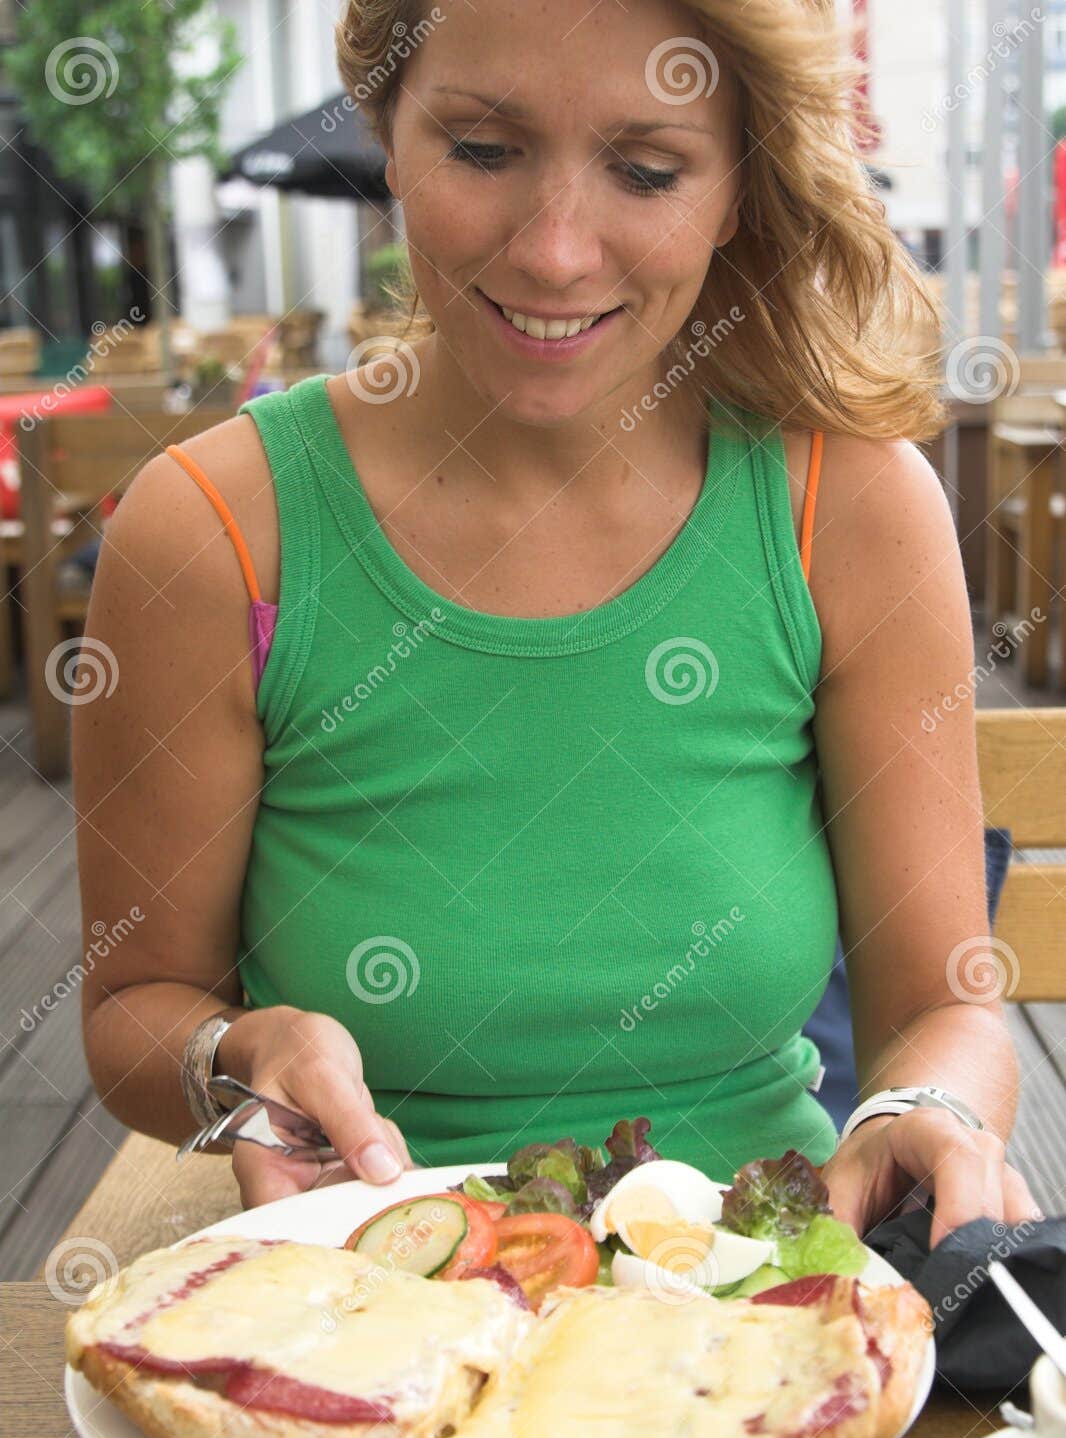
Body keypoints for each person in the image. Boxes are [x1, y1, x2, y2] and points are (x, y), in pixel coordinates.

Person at [74, 0, 1039, 1245]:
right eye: (481, 151)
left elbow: (943, 1008)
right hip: (360, 1300)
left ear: (741, 185)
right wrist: (233, 1054)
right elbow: (136, 1007)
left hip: (762, 1304)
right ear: (388, 132)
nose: (555, 252)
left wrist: (923, 1105)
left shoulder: (846, 506)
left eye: (647, 171)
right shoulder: (212, 527)